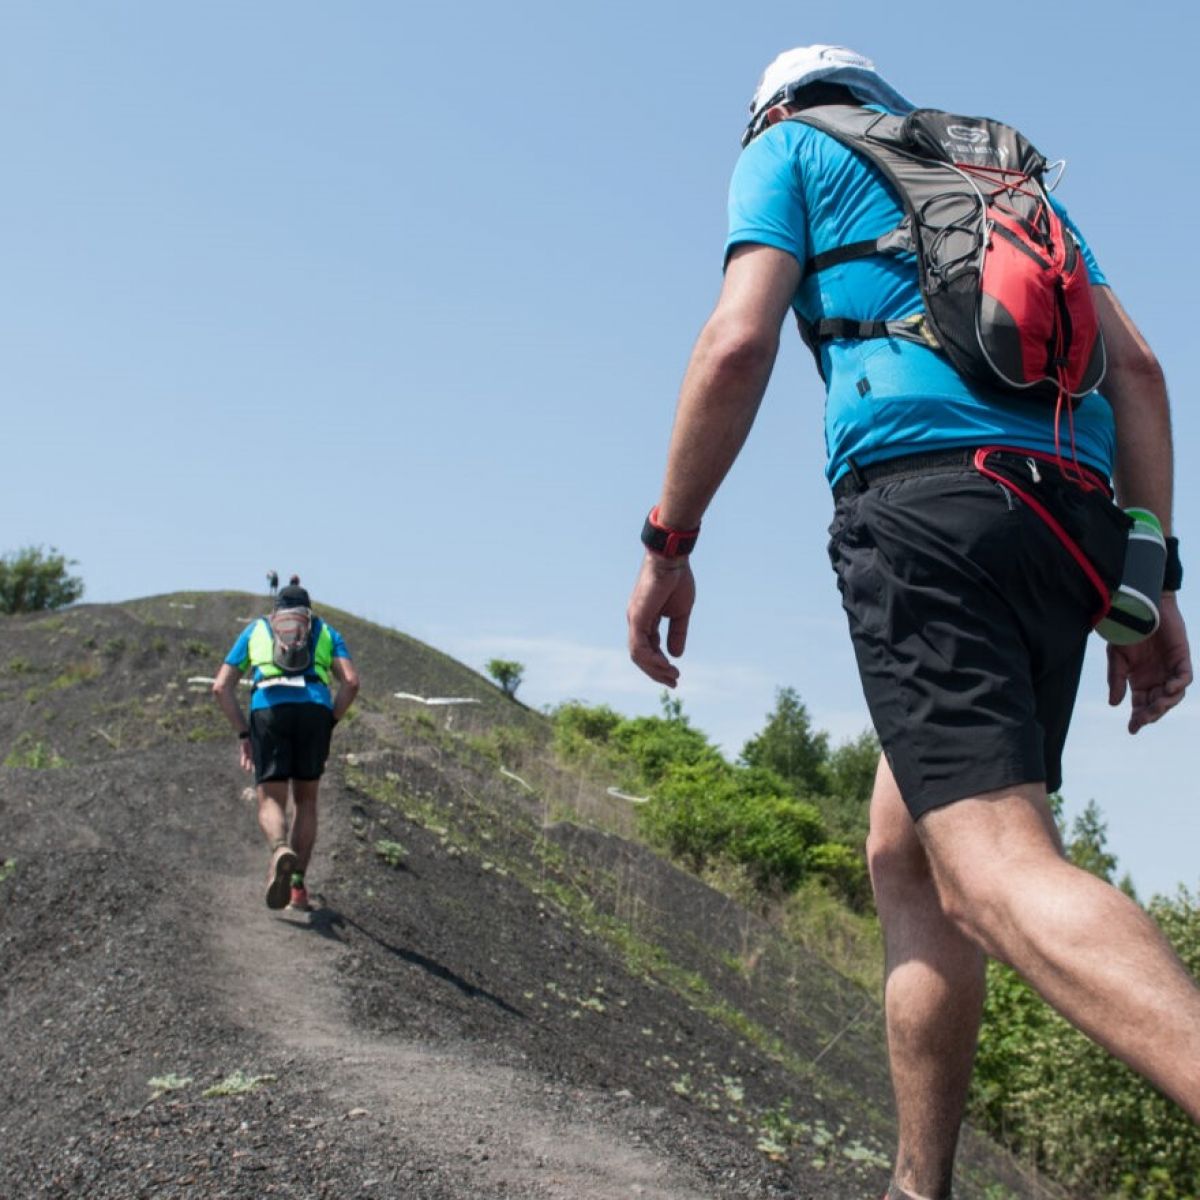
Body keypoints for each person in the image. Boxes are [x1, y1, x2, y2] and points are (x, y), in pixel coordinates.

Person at [625, 44, 1198, 1200]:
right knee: (911, 848)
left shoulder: (788, 146)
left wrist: (668, 545)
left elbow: (737, 341)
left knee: (993, 871)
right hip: (1068, 526)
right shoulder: (1004, 180)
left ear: (770, 111)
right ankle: (915, 1187)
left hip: (934, 510)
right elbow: (1135, 368)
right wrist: (1154, 579)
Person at [213, 579, 359, 912]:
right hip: (314, 710)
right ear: (307, 613)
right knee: (306, 801)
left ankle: (279, 849)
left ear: (277, 611)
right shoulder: (324, 632)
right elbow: (351, 682)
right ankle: (297, 889)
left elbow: (220, 688)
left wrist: (243, 733)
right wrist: (329, 721)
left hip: (269, 710)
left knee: (270, 799)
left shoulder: (257, 630)